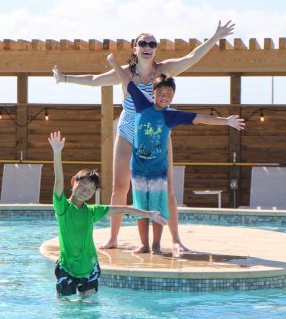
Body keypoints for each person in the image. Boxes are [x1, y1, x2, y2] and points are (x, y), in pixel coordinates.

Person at [52, 20, 235, 255]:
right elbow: (94, 80)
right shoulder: (126, 74)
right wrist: (64, 78)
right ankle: (113, 237)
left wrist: (215, 37)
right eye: (143, 43)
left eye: (152, 43)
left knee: (167, 188)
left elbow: (192, 57)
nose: (148, 46)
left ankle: (176, 240)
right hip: (128, 129)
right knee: (119, 187)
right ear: (134, 48)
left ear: (155, 49)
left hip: (158, 133)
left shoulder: (164, 70)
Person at [105, 55, 244, 253]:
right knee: (141, 208)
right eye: (161, 92)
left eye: (169, 93)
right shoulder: (142, 105)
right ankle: (144, 244)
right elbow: (127, 81)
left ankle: (156, 245)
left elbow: (201, 118)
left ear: (173, 96)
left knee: (159, 207)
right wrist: (113, 62)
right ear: (153, 93)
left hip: (158, 171)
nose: (164, 96)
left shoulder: (171, 115)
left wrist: (226, 121)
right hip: (138, 169)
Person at [48, 130, 166, 296]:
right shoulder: (62, 208)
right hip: (67, 268)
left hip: (90, 267)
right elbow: (58, 179)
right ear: (74, 182)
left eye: (90, 190)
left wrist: (149, 214)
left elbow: (123, 209)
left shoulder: (92, 211)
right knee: (66, 310)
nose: (85, 192)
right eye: (82, 186)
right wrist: (57, 153)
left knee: (88, 310)